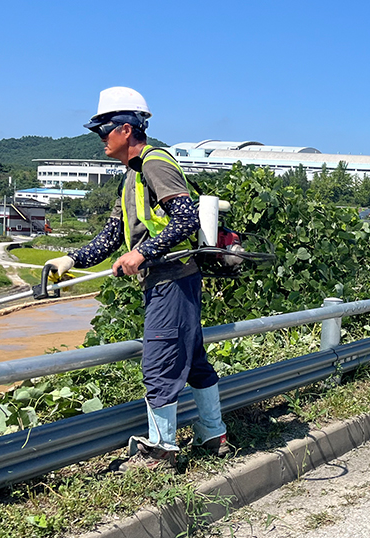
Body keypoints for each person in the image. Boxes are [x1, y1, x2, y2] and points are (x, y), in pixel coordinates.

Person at [46, 86, 229, 472]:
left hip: (171, 279)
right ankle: (214, 433)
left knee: (159, 361)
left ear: (125, 129)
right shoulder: (131, 177)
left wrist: (143, 253)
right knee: (193, 360)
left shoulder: (154, 164)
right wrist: (72, 258)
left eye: (102, 131)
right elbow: (114, 235)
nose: (100, 140)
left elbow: (186, 218)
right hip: (169, 280)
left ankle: (161, 451)